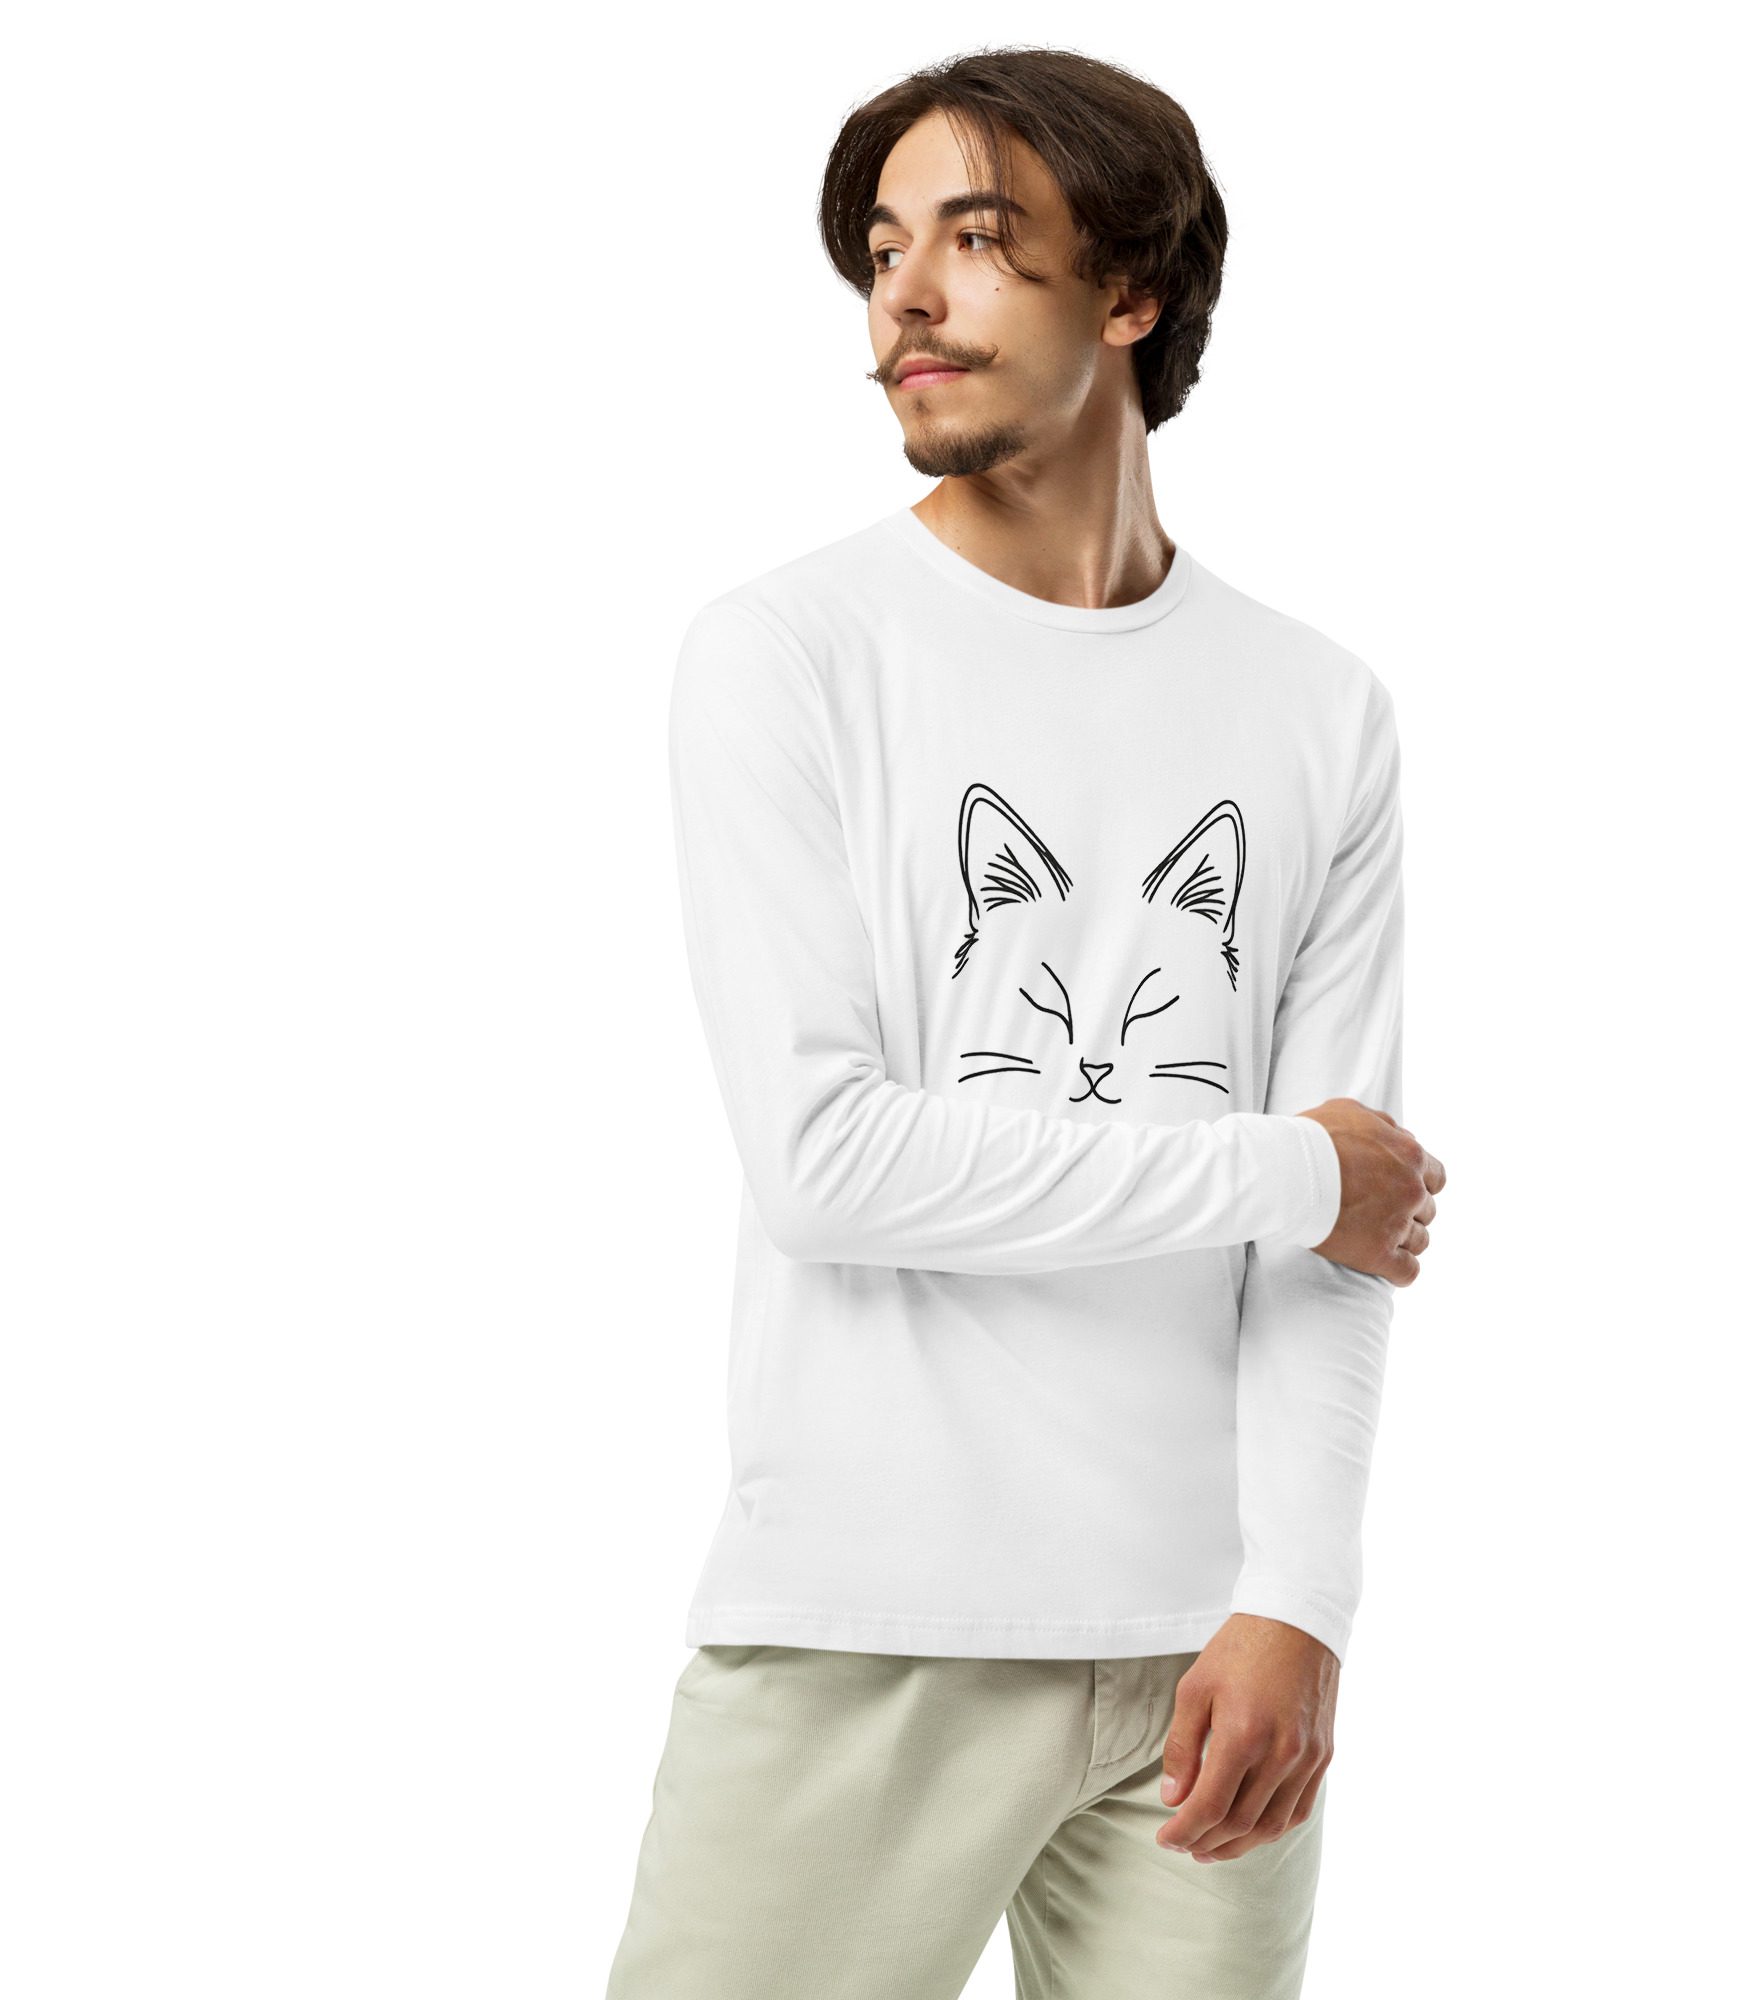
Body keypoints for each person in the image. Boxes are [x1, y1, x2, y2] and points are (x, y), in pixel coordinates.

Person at [604, 46, 1446, 2000]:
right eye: (881, 249)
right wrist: (1282, 1169)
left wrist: (1301, 1598)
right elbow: (829, 1166)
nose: (903, 296)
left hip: (1208, 1659)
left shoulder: (1317, 710)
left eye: (975, 240)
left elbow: (1346, 1246)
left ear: (1131, 287)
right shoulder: (788, 655)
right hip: (865, 1627)